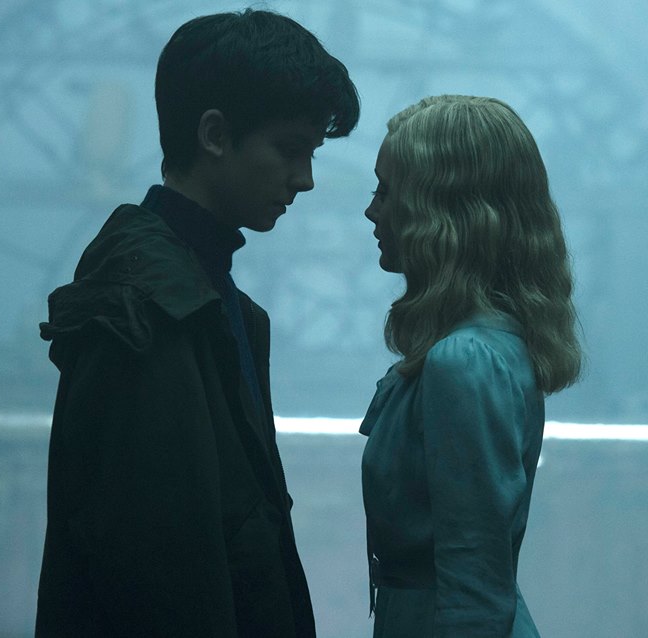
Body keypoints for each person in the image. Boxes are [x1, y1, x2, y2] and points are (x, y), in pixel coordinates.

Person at [34, 9, 359, 637]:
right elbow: (154, 567)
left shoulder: (195, 297)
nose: (305, 180)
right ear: (214, 135)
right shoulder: (146, 308)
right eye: (289, 149)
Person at [360, 95, 582, 637]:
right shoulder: (484, 347)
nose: (372, 211)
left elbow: (474, 581)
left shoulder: (463, 360)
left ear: (438, 209)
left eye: (387, 192)